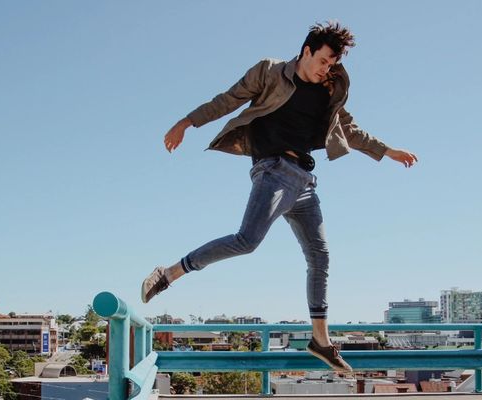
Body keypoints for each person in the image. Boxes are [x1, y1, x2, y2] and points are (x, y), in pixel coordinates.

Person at [142, 21, 418, 372]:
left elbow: (349, 129)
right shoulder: (270, 71)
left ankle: (321, 341)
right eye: (322, 61)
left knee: (320, 257)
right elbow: (228, 99)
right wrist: (186, 122)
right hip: (273, 170)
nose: (326, 70)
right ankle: (168, 273)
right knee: (247, 240)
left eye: (332, 64)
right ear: (306, 51)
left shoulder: (330, 89)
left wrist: (388, 150)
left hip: (304, 180)